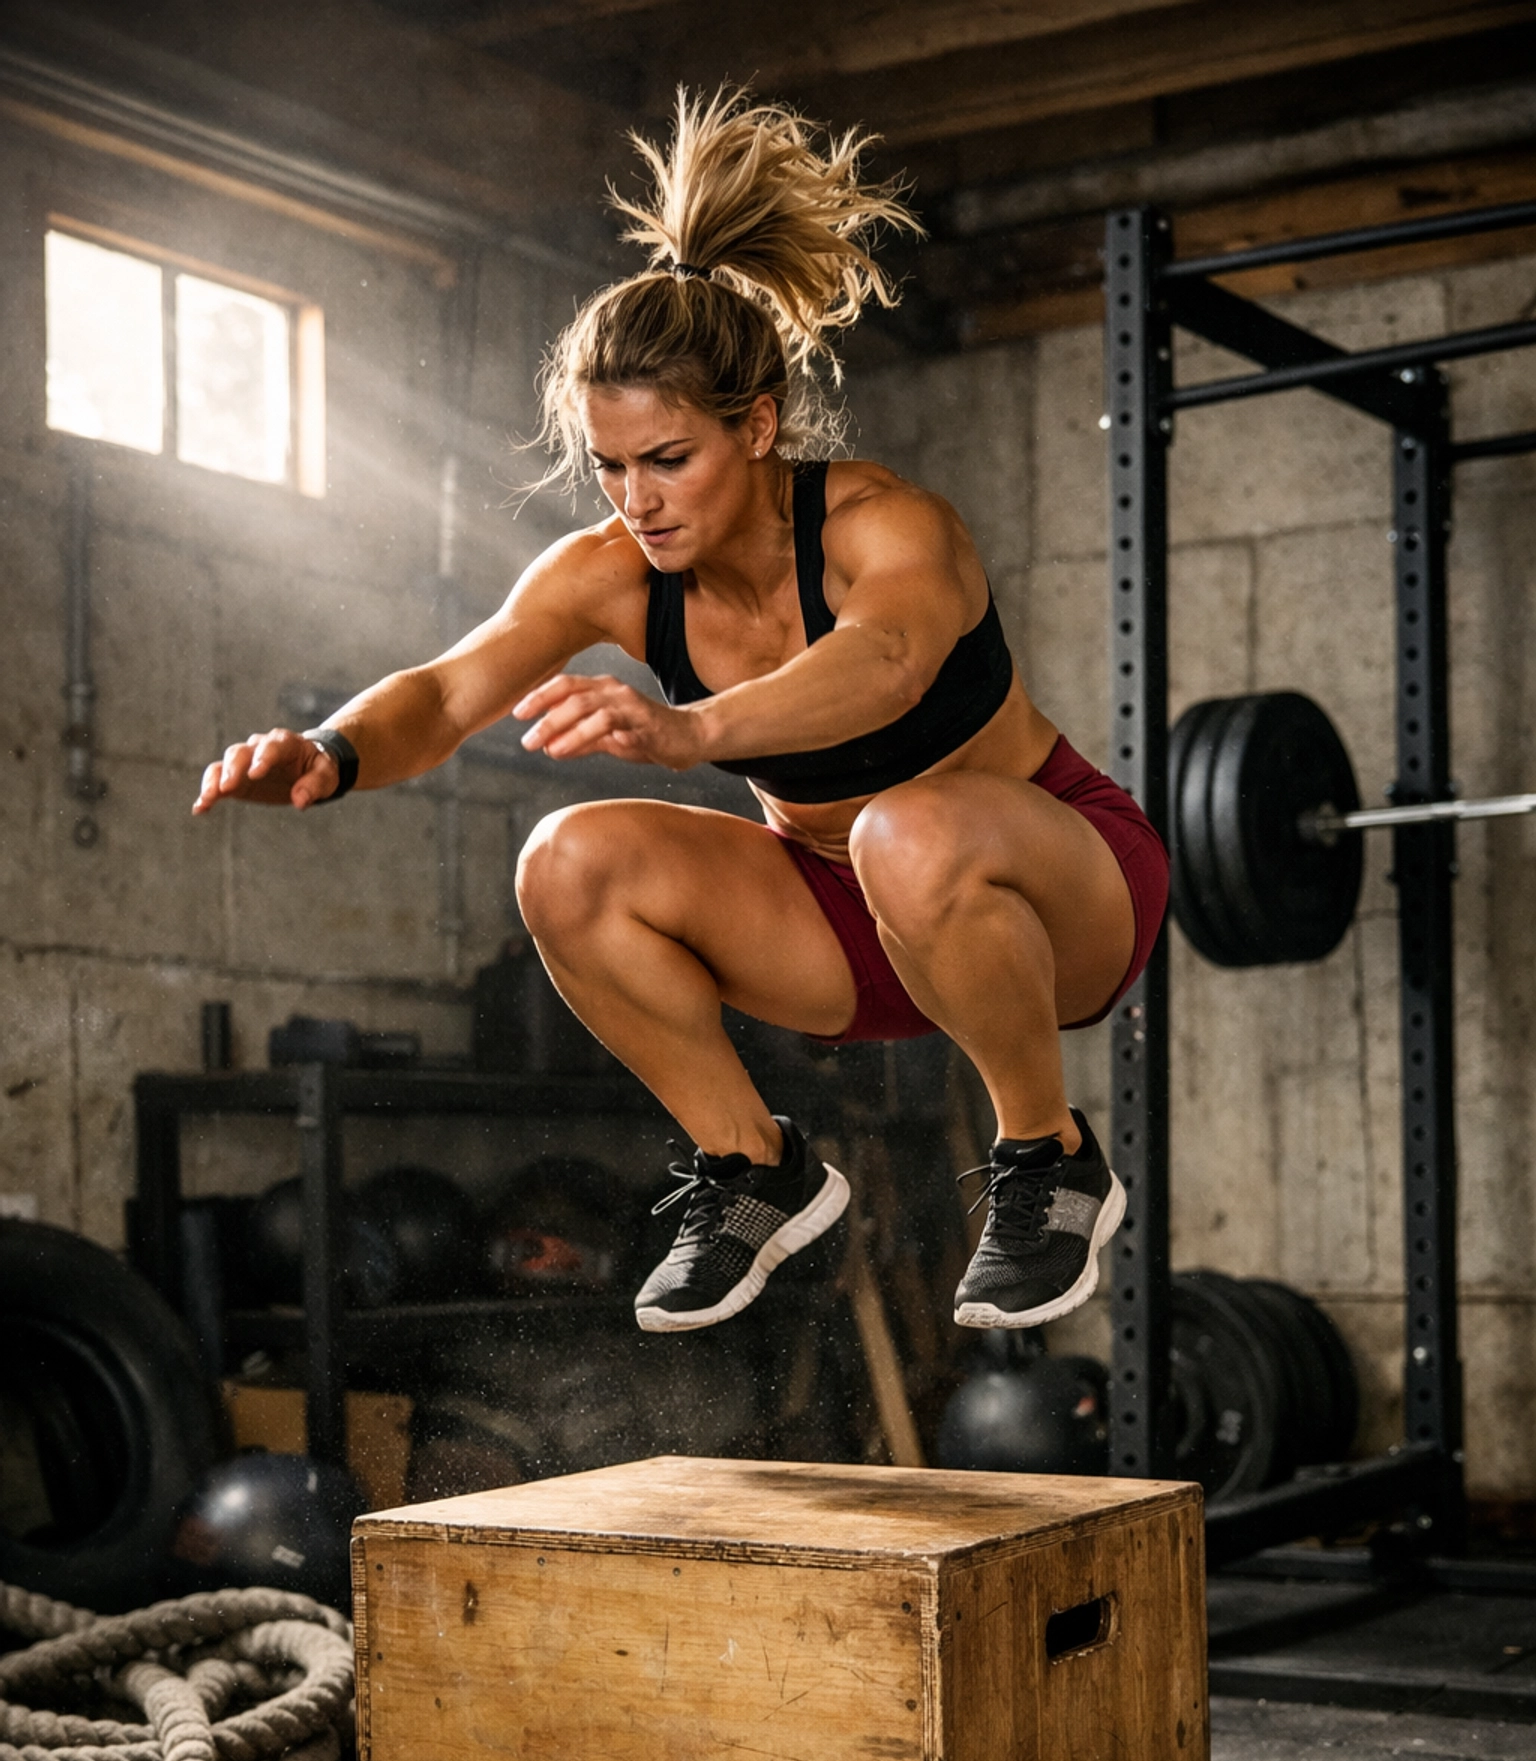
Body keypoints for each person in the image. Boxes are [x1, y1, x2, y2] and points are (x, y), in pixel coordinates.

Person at [195, 88, 1167, 1338]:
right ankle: (756, 1170)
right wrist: (332, 750)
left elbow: (884, 662)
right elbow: (445, 690)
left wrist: (697, 731)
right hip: (848, 927)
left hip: (1057, 899)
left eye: (668, 460)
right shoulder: (609, 573)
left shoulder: (885, 527)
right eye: (610, 465)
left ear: (756, 427)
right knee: (567, 860)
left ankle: (1048, 1157)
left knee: (907, 827)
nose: (636, 500)